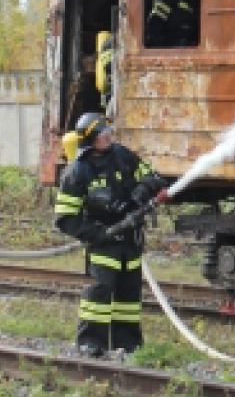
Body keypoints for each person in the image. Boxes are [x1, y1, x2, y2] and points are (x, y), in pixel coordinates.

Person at [54, 113, 169, 357]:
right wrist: (98, 233)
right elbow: (65, 218)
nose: (107, 135)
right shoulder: (77, 172)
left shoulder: (122, 156)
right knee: (99, 296)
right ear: (89, 139)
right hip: (104, 242)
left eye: (108, 130)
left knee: (129, 298)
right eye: (101, 133)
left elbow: (153, 177)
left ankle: (128, 346)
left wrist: (143, 189)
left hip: (131, 239)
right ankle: (90, 344)